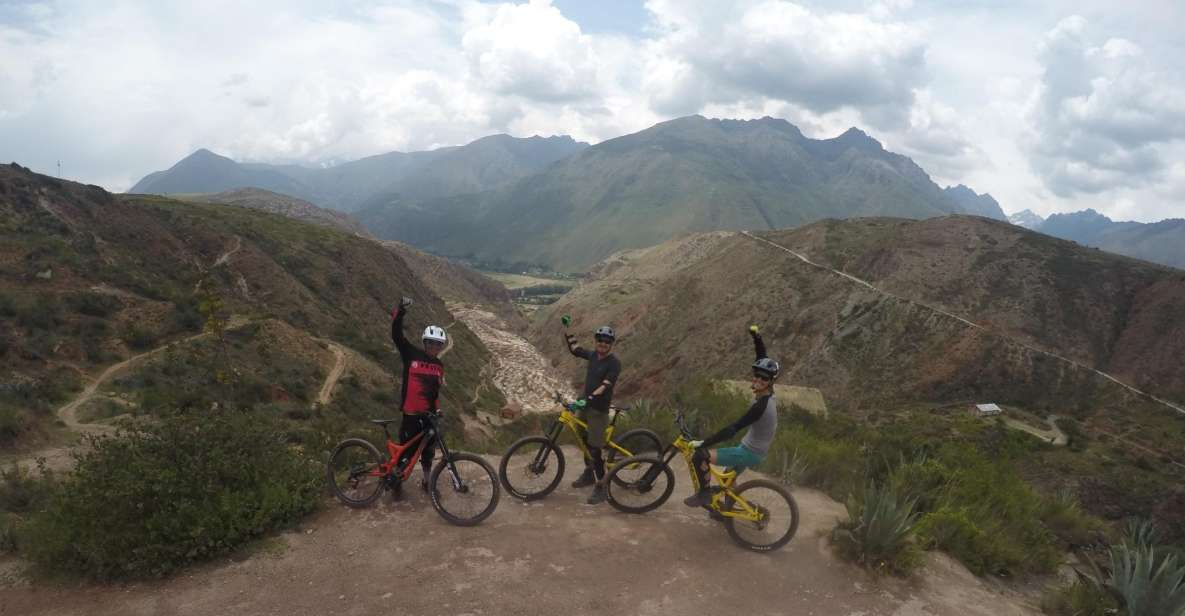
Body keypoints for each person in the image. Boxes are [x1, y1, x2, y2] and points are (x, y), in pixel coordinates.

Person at [684, 325, 779, 508]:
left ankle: (703, 494)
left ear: (771, 382)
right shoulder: (768, 395)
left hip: (749, 453)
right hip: (754, 449)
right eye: (756, 376)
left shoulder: (761, 406)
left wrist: (703, 443)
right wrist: (756, 337)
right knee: (728, 481)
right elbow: (762, 357)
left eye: (764, 379)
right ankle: (729, 511)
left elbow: (732, 429)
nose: (758, 380)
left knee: (699, 457)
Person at [390, 296, 447, 493]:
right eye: (431, 343)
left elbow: (435, 391)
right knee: (406, 451)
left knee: (428, 452)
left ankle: (426, 481)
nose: (434, 347)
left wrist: (438, 409)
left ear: (442, 347)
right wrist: (401, 311)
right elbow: (397, 336)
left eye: (438, 344)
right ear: (424, 342)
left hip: (429, 416)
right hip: (411, 415)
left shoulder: (439, 365)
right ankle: (396, 481)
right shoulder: (411, 354)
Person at [563, 323, 622, 505]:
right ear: (596, 341)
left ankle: (602, 487)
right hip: (586, 405)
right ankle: (589, 473)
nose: (603, 343)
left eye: (607, 341)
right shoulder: (593, 355)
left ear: (611, 344)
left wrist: (587, 399)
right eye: (600, 340)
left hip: (598, 409)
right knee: (584, 441)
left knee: (595, 449)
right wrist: (567, 329)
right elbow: (575, 349)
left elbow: (605, 386)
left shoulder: (614, 363)